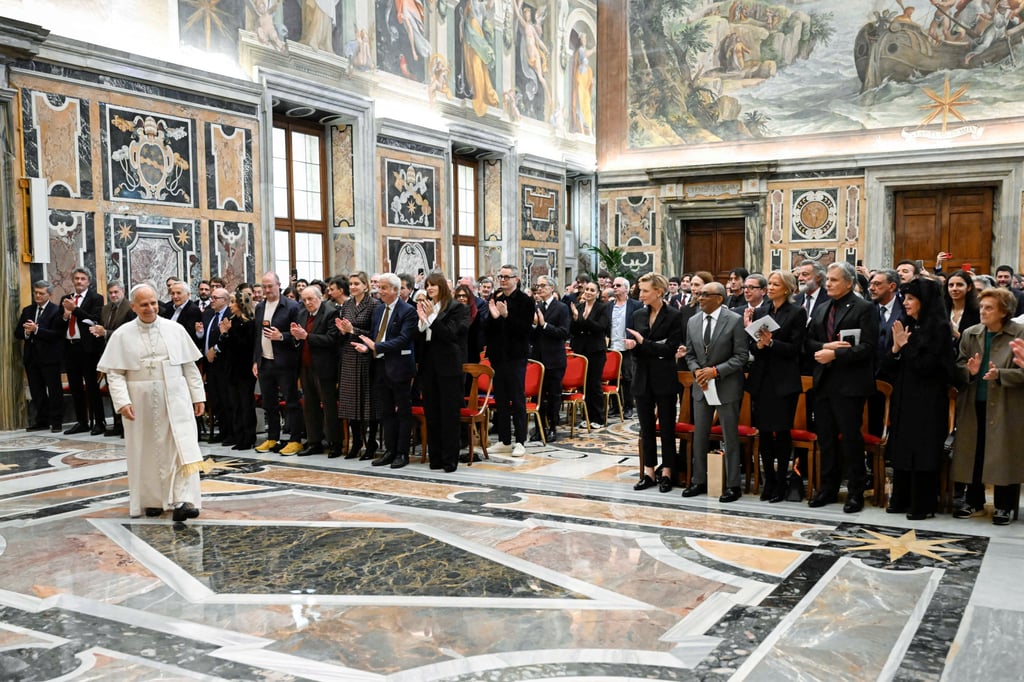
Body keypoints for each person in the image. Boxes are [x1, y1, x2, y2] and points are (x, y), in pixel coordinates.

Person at [97, 284, 206, 523]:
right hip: (140, 401)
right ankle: (153, 500)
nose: (150, 308)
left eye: (154, 303)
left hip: (175, 396)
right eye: (144, 304)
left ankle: (182, 500)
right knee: (145, 451)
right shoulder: (122, 334)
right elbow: (114, 373)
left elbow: (189, 366)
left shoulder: (175, 329)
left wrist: (198, 396)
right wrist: (122, 402)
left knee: (179, 448)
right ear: (134, 307)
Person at [805, 262, 879, 512]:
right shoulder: (822, 308)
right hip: (823, 382)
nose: (828, 284)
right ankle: (828, 488)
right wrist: (824, 348)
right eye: (827, 279)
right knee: (826, 439)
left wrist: (836, 355)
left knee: (850, 439)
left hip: (849, 384)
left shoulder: (864, 308)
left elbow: (868, 347)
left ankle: (856, 492)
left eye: (834, 280)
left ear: (849, 283)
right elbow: (808, 342)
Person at [884, 278, 957, 520]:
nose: (905, 303)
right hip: (905, 397)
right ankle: (900, 498)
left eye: (911, 298)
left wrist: (905, 346)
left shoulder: (939, 328)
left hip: (928, 400)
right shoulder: (905, 324)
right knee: (903, 448)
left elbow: (928, 367)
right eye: (905, 298)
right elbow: (887, 368)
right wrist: (895, 350)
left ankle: (922, 504)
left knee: (923, 451)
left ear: (924, 301)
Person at [951, 287, 1024, 525]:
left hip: (1006, 405)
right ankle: (974, 501)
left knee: (1004, 453)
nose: (983, 311)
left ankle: (1004, 506)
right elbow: (958, 366)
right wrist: (969, 371)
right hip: (974, 402)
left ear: (1004, 311)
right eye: (981, 307)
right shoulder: (971, 333)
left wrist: (1001, 374)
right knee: (974, 451)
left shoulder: (1019, 334)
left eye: (989, 308)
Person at [681, 281, 749, 503]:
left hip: (726, 385)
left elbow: (741, 356)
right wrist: (697, 371)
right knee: (700, 435)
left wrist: (716, 371)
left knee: (730, 436)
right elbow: (690, 354)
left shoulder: (734, 320)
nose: (700, 298)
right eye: (699, 294)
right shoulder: (693, 321)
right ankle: (699, 480)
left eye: (705, 294)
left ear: (719, 298)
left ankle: (733, 485)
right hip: (702, 386)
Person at [745, 271, 807, 503]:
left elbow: (795, 348)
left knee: (781, 432)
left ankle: (782, 480)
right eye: (769, 284)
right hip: (762, 379)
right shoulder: (762, 311)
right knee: (763, 431)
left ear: (787, 288)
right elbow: (752, 346)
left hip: (783, 381)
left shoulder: (797, 312)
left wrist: (771, 342)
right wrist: (760, 345)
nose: (770, 288)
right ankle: (768, 480)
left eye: (775, 284)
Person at [353, 273, 417, 469]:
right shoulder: (379, 310)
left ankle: (402, 453)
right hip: (380, 366)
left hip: (400, 367)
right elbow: (376, 335)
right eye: (379, 287)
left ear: (395, 290)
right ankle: (389, 450)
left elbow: (403, 339)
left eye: (383, 288)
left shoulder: (408, 311)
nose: (379, 291)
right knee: (386, 411)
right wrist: (367, 347)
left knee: (403, 412)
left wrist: (376, 347)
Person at [627, 273, 683, 493]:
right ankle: (649, 471)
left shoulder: (674, 316)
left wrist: (644, 343)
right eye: (640, 290)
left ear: (658, 291)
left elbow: (670, 349)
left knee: (667, 426)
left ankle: (667, 471)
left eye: (645, 290)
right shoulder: (638, 314)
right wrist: (637, 346)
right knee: (646, 427)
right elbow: (640, 348)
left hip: (664, 376)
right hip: (642, 376)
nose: (640, 294)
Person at [415, 273, 470, 471]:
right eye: (427, 285)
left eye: (433, 285)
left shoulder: (457, 308)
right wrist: (422, 321)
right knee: (432, 413)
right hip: (429, 365)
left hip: (449, 366)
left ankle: (449, 459)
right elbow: (421, 338)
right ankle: (436, 457)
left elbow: (450, 335)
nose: (429, 288)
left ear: (442, 287)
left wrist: (431, 318)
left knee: (449, 414)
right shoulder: (427, 306)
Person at [485, 264, 535, 456]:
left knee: (517, 398)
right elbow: (488, 329)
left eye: (507, 277)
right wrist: (494, 317)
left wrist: (507, 315)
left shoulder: (525, 301)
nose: (503, 280)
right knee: (501, 399)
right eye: (501, 277)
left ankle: (520, 440)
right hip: (498, 356)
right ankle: (504, 440)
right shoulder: (496, 298)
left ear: (516, 279)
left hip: (516, 356)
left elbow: (525, 329)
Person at [252, 271, 303, 456]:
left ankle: (295, 439)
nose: (267, 290)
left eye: (270, 286)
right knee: (269, 402)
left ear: (278, 285)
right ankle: (272, 437)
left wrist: (282, 336)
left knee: (291, 402)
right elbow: (257, 335)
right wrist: (256, 360)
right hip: (265, 361)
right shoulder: (260, 307)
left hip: (285, 362)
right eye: (264, 287)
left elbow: (299, 334)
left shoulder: (291, 306)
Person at [290, 286, 341, 457]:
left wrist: (306, 336)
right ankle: (314, 442)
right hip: (305, 366)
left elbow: (332, 339)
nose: (307, 303)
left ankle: (334, 443)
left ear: (320, 297)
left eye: (310, 299)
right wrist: (296, 337)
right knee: (310, 406)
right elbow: (299, 340)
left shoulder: (330, 313)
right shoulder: (302, 314)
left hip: (324, 368)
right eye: (304, 300)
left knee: (329, 407)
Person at [336, 271, 379, 458]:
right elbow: (343, 333)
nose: (353, 287)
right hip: (348, 356)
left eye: (356, 284)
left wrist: (353, 330)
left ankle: (371, 443)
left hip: (365, 356)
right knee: (350, 403)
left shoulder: (374, 304)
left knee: (368, 403)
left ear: (365, 286)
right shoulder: (346, 304)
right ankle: (357, 442)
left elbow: (375, 333)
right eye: (351, 284)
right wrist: (342, 331)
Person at [61, 267, 107, 435]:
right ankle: (82, 421)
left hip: (87, 349)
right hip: (70, 347)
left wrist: (75, 310)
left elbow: (93, 320)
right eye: (76, 278)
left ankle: (99, 422)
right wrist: (65, 316)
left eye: (82, 279)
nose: (79, 281)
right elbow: (59, 324)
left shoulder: (96, 298)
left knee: (92, 386)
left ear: (88, 281)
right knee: (75, 387)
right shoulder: (66, 299)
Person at [15, 280, 64, 432]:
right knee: (37, 391)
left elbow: (56, 334)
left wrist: (36, 330)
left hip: (50, 358)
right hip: (32, 358)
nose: (37, 296)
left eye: (41, 293)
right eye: (35, 293)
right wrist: (26, 332)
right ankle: (42, 420)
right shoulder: (27, 310)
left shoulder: (56, 310)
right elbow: (17, 333)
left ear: (49, 294)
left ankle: (56, 421)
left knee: (54, 391)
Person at [531, 275, 570, 441]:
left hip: (554, 359)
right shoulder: (536, 306)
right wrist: (534, 325)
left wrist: (544, 325)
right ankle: (539, 428)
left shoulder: (561, 308)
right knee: (538, 396)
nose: (539, 288)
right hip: (538, 359)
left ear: (552, 288)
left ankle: (553, 427)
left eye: (543, 285)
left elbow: (564, 332)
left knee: (554, 395)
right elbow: (532, 336)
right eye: (537, 286)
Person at [218, 290, 257, 450]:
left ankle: (248, 437)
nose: (230, 306)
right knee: (235, 404)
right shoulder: (231, 321)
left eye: (233, 302)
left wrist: (228, 332)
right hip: (231, 368)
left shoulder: (249, 323)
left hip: (244, 369)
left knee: (246, 404)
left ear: (241, 304)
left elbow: (244, 346)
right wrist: (224, 334)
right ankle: (238, 435)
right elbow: (226, 345)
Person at [569, 280, 610, 428]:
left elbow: (601, 327)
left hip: (596, 350)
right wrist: (576, 318)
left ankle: (598, 418)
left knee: (594, 384)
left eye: (592, 290)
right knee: (584, 385)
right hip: (580, 350)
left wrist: (586, 319)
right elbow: (572, 330)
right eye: (587, 289)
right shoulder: (579, 307)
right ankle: (586, 416)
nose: (588, 292)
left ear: (597, 293)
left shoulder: (602, 308)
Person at [198, 287, 231, 444]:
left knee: (226, 399)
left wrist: (216, 349)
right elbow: (205, 335)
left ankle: (230, 432)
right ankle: (222, 432)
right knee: (215, 399)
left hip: (224, 363)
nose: (211, 300)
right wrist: (199, 334)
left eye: (215, 298)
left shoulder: (229, 315)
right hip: (209, 364)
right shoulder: (208, 314)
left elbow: (229, 338)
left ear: (225, 300)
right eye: (211, 297)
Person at [607, 276, 643, 419]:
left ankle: (628, 406)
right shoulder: (608, 306)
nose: (614, 287)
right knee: (612, 377)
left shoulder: (636, 305)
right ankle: (615, 406)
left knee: (628, 377)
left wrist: (633, 340)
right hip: (611, 347)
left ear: (626, 289)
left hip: (627, 346)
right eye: (614, 285)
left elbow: (640, 326)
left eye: (618, 285)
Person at [944, 270, 980, 352]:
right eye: (951, 285)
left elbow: (978, 342)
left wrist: (958, 335)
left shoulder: (977, 312)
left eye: (959, 285)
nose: (954, 288)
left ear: (969, 287)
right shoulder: (941, 310)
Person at [161, 281, 203, 346]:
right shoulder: (168, 308)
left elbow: (188, 335)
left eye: (178, 293)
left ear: (188, 295)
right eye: (173, 293)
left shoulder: (193, 310)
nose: (175, 296)